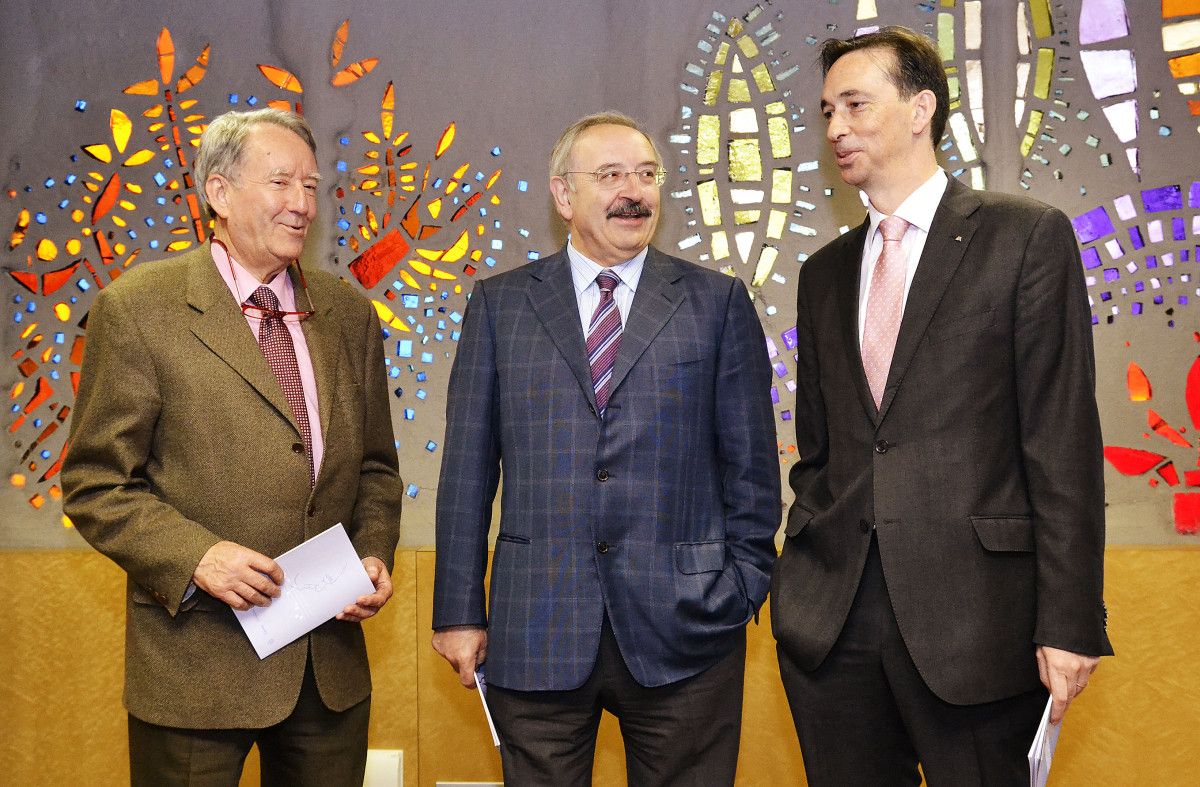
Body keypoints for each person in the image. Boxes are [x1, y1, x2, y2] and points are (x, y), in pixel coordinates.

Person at [771, 26, 1113, 784]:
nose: (835, 128)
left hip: (982, 625)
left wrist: (1070, 618)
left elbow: (1061, 443)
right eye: (827, 111)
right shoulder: (823, 273)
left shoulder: (1024, 237)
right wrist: (797, 582)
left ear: (921, 107)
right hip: (831, 630)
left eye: (856, 104)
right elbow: (821, 452)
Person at [431, 111, 779, 785]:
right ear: (564, 195)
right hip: (535, 625)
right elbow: (467, 472)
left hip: (689, 628)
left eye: (647, 174)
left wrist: (742, 584)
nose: (635, 191)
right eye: (612, 174)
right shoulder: (501, 306)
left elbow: (753, 471)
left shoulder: (717, 303)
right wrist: (456, 609)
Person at [62, 108, 403, 786]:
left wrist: (371, 551)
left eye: (311, 186)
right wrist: (197, 557)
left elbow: (376, 470)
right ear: (218, 193)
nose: (303, 204)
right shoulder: (138, 308)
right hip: (195, 670)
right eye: (281, 183)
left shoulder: (348, 313)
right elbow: (96, 481)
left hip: (327, 673)